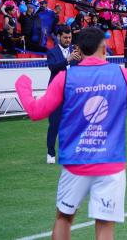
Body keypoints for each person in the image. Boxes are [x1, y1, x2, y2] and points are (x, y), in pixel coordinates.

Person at [15, 27, 127, 239]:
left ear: (78, 49)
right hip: (111, 164)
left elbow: (36, 112)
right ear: (104, 46)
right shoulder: (123, 74)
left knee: (64, 218)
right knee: (105, 225)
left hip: (75, 163)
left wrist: (23, 85)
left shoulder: (65, 77)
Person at [45, 26, 81, 164]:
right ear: (59, 37)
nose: (68, 40)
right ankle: (50, 153)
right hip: (55, 94)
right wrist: (67, 59)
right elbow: (52, 67)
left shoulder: (76, 51)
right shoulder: (52, 52)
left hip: (72, 94)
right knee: (54, 124)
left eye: (70, 37)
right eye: (65, 37)